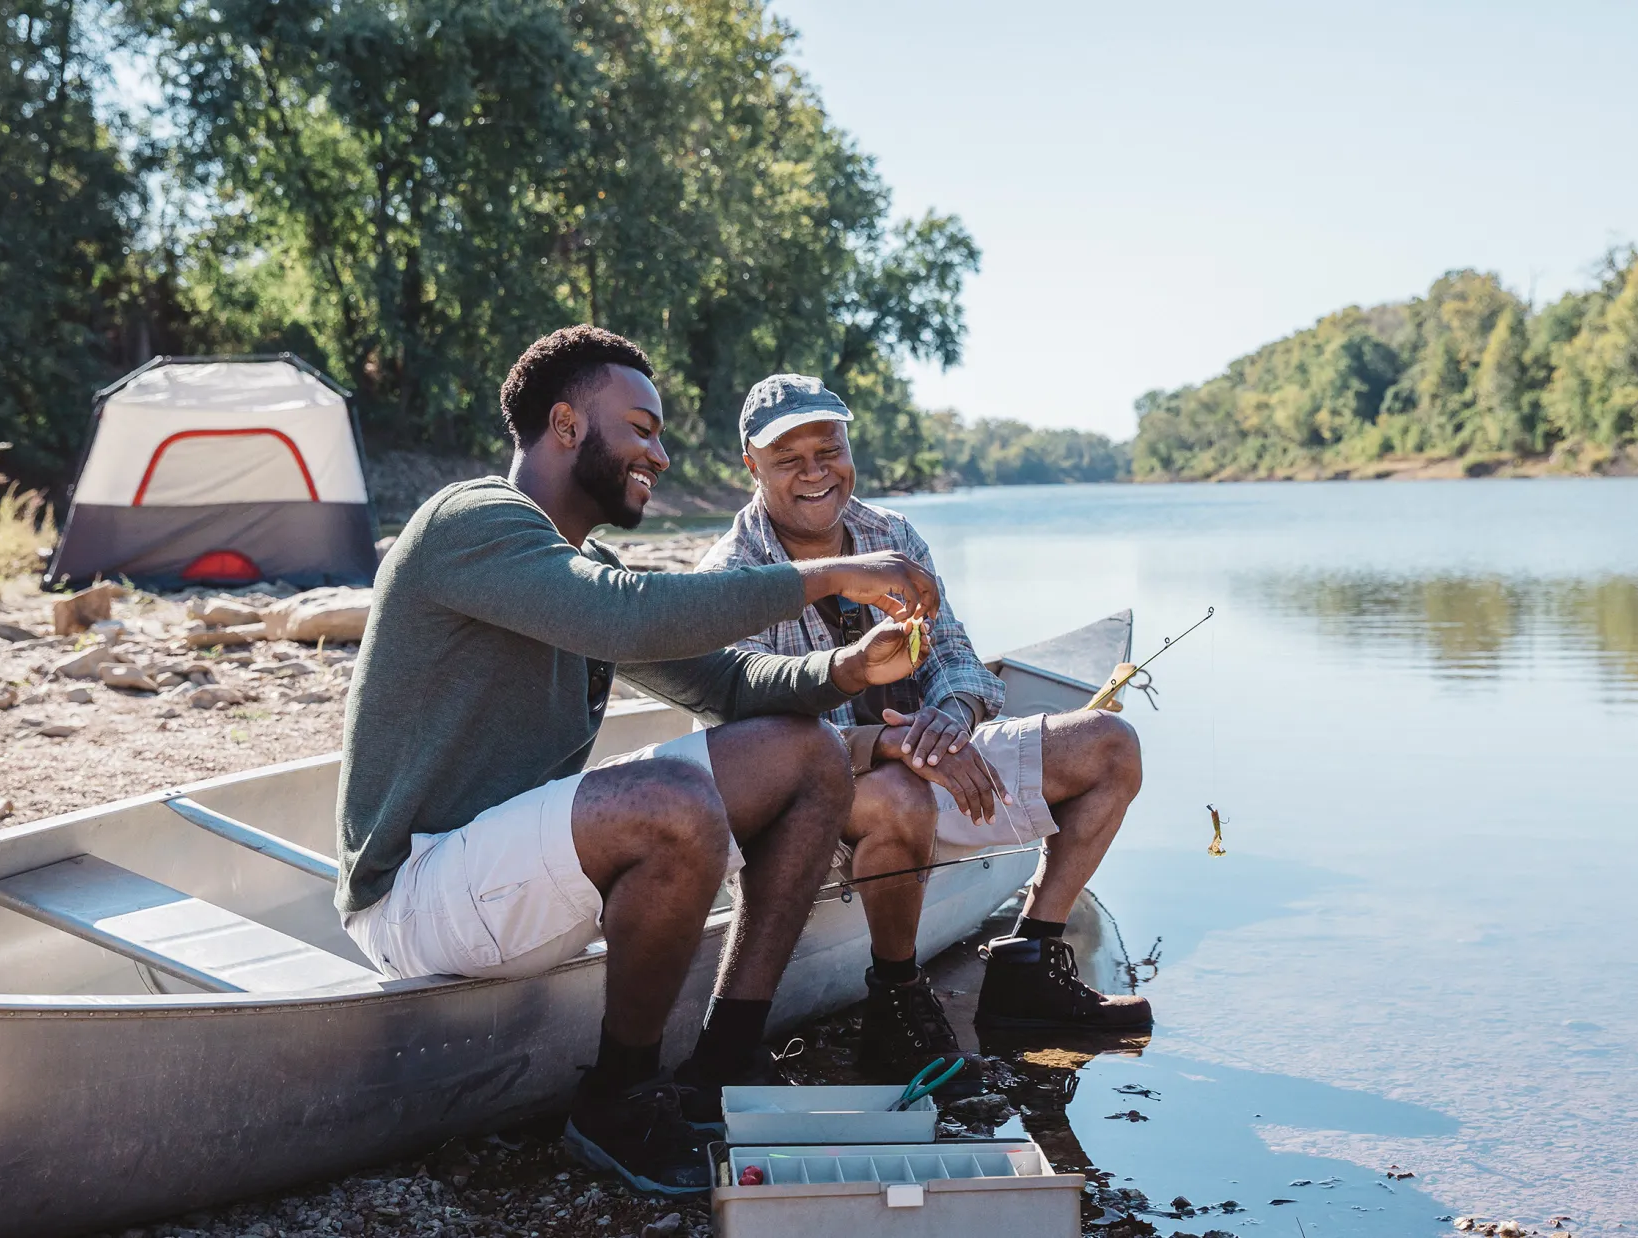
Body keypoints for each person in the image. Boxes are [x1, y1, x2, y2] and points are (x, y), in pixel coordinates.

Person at [336, 330, 943, 1196]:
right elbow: (627, 617)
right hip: (419, 898)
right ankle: (617, 1098)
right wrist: (831, 575)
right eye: (642, 428)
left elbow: (728, 683)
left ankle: (725, 1060)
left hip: (513, 875)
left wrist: (847, 670)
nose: (658, 453)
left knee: (807, 756)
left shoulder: (577, 564)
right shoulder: (470, 523)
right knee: (672, 803)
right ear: (565, 424)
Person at [696, 374, 1152, 1096]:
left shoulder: (892, 537)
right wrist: (891, 746)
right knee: (902, 795)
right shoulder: (728, 576)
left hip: (921, 766)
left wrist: (953, 718)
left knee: (1108, 745)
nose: (816, 471)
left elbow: (958, 660)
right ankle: (899, 1003)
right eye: (789, 458)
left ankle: (1029, 965)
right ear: (750, 466)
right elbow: (747, 751)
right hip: (807, 815)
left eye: (829, 448)